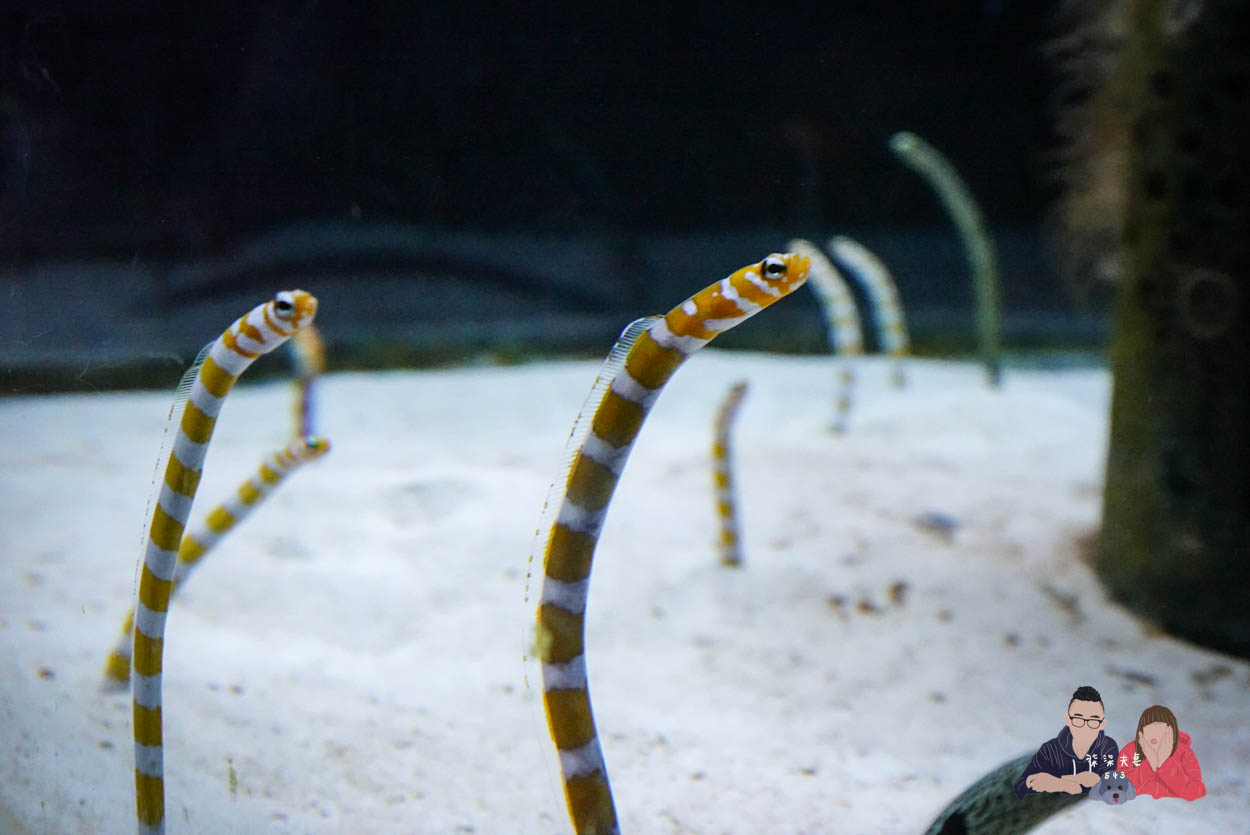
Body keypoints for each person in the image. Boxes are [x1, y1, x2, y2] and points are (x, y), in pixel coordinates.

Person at [1013, 685, 1119, 798]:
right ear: (1068, 720)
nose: (1085, 727)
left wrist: (1060, 781)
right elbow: (1019, 786)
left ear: (1102, 723)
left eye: (1093, 721)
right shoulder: (1050, 750)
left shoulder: (1107, 749)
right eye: (1078, 719)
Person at [1118, 704, 1205, 800]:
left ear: (1170, 731)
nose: (1152, 733)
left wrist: (1165, 762)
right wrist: (1149, 763)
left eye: (1158, 727)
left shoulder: (1184, 753)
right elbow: (1120, 789)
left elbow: (1195, 792)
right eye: (1147, 728)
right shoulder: (1130, 751)